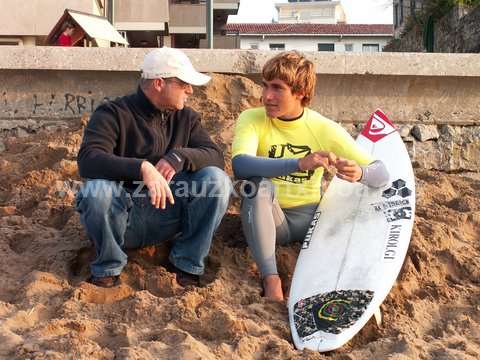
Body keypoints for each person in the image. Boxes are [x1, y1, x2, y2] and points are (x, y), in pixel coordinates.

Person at [231, 51, 389, 301]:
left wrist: (360, 172)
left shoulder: (324, 129)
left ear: (300, 92)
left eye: (277, 88)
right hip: (271, 219)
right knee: (257, 186)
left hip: (312, 223)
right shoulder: (252, 118)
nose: (267, 96)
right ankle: (271, 279)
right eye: (265, 86)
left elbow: (381, 173)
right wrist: (299, 163)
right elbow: (241, 165)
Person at [76, 47, 231, 288]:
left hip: (168, 215)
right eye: (183, 84)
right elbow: (88, 159)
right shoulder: (113, 113)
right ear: (159, 83)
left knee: (216, 180)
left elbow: (215, 156)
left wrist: (179, 157)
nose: (190, 90)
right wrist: (142, 168)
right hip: (121, 219)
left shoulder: (186, 118)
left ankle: (186, 264)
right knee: (96, 192)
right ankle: (107, 268)